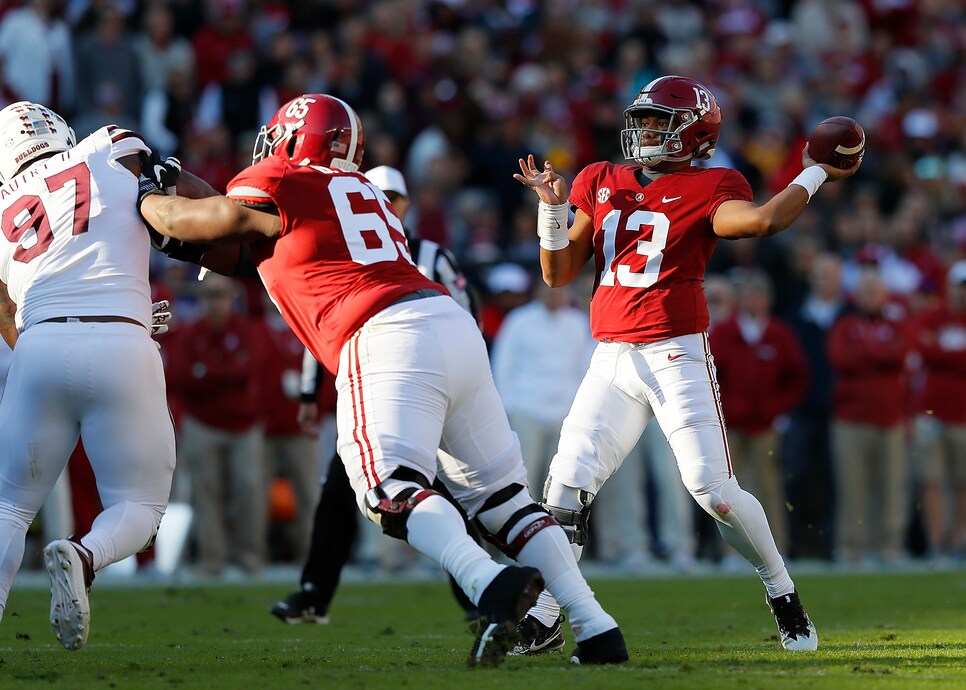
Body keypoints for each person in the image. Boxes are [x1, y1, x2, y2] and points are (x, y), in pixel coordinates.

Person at [137, 93, 627, 667]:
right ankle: (597, 628)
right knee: (504, 501)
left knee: (386, 491)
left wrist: (145, 196)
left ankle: (489, 584)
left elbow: (198, 219)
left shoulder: (284, 178)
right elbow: (246, 248)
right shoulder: (362, 191)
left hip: (383, 332)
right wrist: (177, 183)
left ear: (294, 140)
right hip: (448, 323)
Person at [512, 74, 861, 653]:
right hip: (611, 356)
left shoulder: (714, 184)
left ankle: (781, 589)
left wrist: (815, 170)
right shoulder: (601, 178)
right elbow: (557, 273)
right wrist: (551, 210)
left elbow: (764, 221)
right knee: (565, 483)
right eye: (642, 120)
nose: (644, 131)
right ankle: (550, 611)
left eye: (658, 123)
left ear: (694, 133)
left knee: (711, 488)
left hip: (676, 353)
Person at [0, 101, 177, 651]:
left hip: (37, 346)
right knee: (141, 506)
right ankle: (84, 554)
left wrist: (46, 342)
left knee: (8, 506)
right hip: (123, 343)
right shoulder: (106, 144)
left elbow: (5, 312)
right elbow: (176, 194)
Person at [271, 164, 480, 623]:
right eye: (376, 194)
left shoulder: (431, 255)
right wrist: (310, 395)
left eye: (392, 197)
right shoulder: (335, 252)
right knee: (339, 495)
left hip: (427, 392)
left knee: (452, 492)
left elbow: (468, 321)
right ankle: (314, 593)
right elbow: (318, 327)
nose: (383, 203)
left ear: (404, 206)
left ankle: (477, 594)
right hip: (364, 390)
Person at [827, 268, 912, 565]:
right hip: (851, 419)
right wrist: (879, 356)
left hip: (889, 418)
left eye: (874, 291)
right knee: (852, 487)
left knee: (890, 486)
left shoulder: (896, 323)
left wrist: (864, 355)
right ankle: (852, 548)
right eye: (864, 291)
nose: (870, 297)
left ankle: (889, 546)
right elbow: (839, 358)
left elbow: (900, 354)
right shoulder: (845, 323)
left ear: (884, 295)